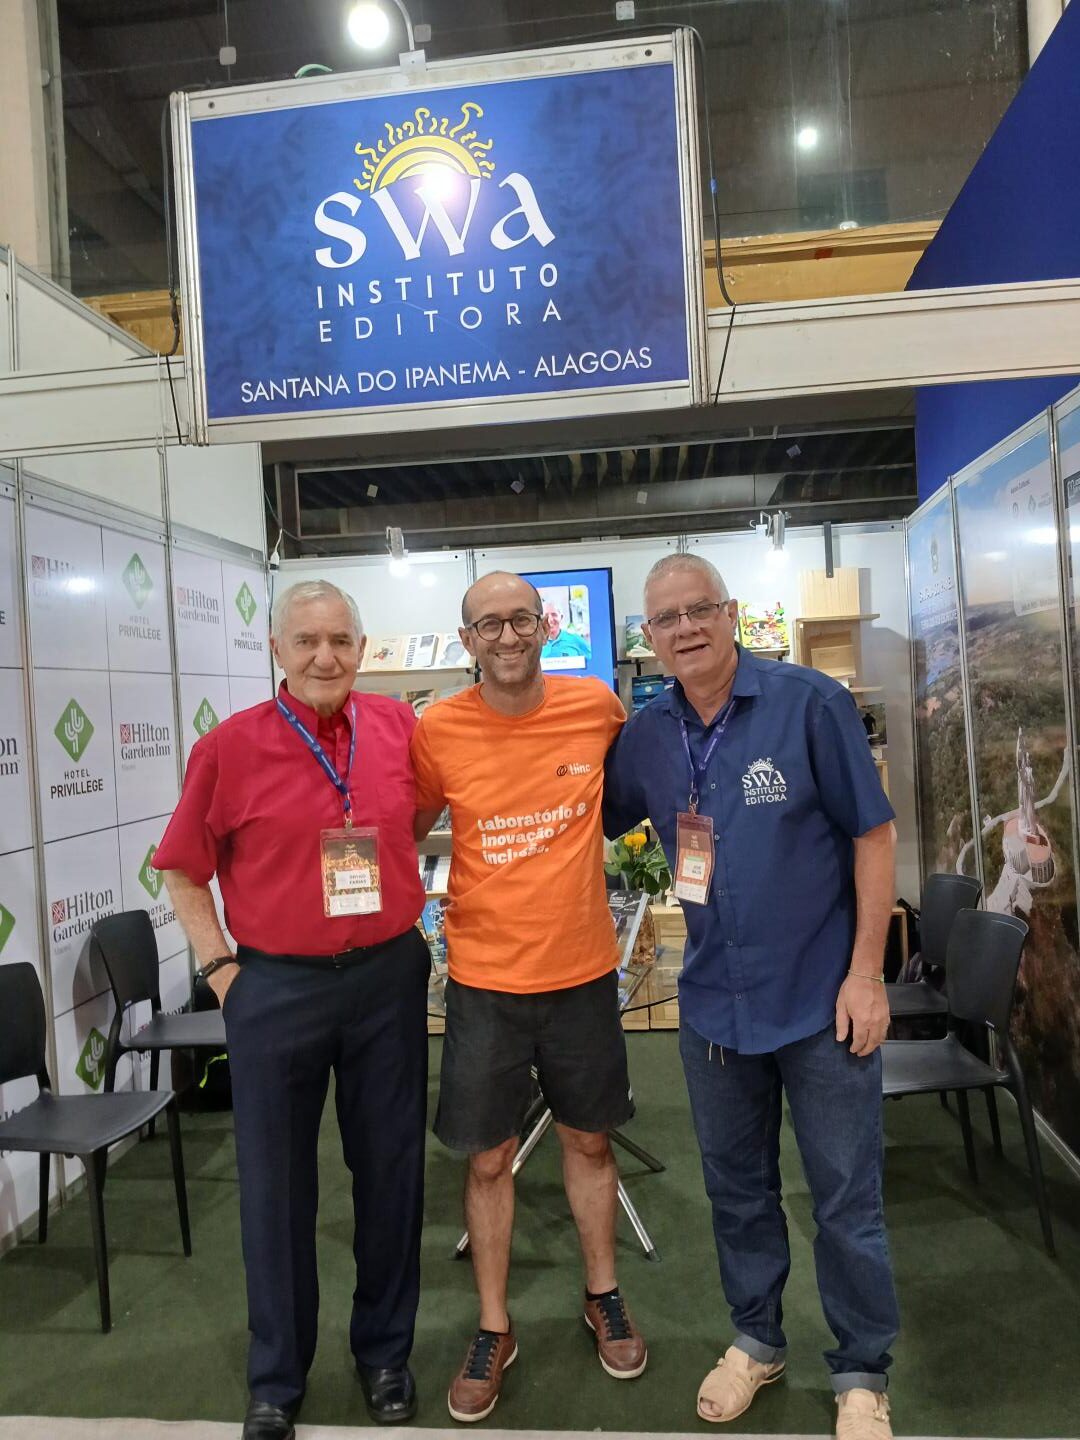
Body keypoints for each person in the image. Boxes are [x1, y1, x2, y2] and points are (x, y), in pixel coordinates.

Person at [603, 554, 899, 1440]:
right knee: (737, 1193)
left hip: (821, 1001)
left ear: (730, 614)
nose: (686, 628)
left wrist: (868, 974)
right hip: (714, 1008)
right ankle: (757, 1341)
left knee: (844, 1200)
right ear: (650, 638)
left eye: (701, 609)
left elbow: (875, 837)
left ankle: (861, 1373)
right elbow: (595, 820)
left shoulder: (811, 704)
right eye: (667, 618)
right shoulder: (646, 736)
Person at [154, 580, 431, 1440]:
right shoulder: (228, 748)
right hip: (274, 989)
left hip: (386, 978)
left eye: (341, 640)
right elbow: (183, 870)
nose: (325, 656)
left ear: (362, 649)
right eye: (306, 640)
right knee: (275, 1189)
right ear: (275, 649)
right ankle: (276, 1377)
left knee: (391, 1174)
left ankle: (384, 1354)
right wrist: (222, 969)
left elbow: (418, 818)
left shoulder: (401, 728)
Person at [410, 571, 646, 1424]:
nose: (507, 637)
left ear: (545, 626)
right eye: (489, 625)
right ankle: (494, 1327)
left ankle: (603, 1294)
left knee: (589, 1142)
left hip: (581, 975)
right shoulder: (437, 729)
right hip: (484, 983)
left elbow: (643, 792)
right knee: (486, 1160)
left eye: (520, 620)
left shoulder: (597, 708)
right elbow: (400, 830)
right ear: (467, 640)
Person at [540, 598, 591, 663]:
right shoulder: (535, 642)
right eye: (546, 615)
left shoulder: (575, 639)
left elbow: (594, 660)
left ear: (561, 617)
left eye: (554, 615)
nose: (550, 620)